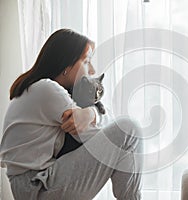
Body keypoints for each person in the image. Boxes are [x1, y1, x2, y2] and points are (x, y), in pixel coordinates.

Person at [0, 29, 143, 200]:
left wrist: (92, 113)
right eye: (86, 61)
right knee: (129, 129)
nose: (92, 70)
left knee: (125, 131)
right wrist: (93, 114)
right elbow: (95, 137)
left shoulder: (35, 88)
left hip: (32, 186)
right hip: (38, 186)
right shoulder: (47, 89)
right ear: (66, 65)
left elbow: (99, 133)